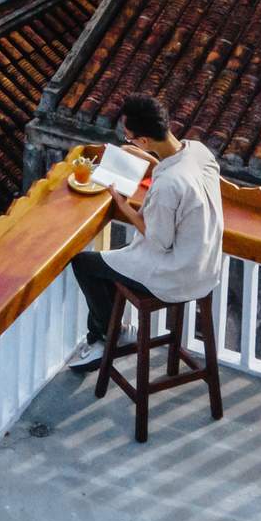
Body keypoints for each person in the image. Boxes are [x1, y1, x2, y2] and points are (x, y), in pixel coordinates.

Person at [67, 93, 224, 371]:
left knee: (84, 263)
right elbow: (177, 169)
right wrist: (144, 158)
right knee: (111, 265)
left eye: (129, 139)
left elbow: (158, 240)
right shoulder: (199, 151)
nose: (128, 142)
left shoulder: (168, 186)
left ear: (143, 140)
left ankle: (106, 337)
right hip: (207, 267)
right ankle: (112, 333)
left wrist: (123, 205)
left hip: (174, 274)